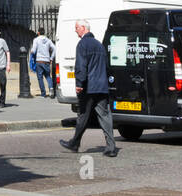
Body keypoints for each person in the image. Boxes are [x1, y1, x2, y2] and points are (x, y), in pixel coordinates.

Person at [60, 19, 119, 157]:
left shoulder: (83, 44)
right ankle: (111, 147)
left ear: (83, 28)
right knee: (105, 116)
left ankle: (74, 143)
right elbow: (106, 66)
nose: (75, 30)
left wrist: (79, 84)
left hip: (88, 87)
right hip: (101, 86)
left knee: (83, 116)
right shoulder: (99, 45)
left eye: (76, 27)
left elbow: (81, 66)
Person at [30, 29, 56, 98]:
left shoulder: (36, 40)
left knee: (40, 77)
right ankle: (51, 88)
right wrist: (51, 58)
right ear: (44, 33)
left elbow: (34, 50)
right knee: (48, 76)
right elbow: (54, 48)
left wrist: (31, 52)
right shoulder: (48, 40)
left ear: (38, 32)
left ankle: (43, 93)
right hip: (47, 60)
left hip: (39, 61)